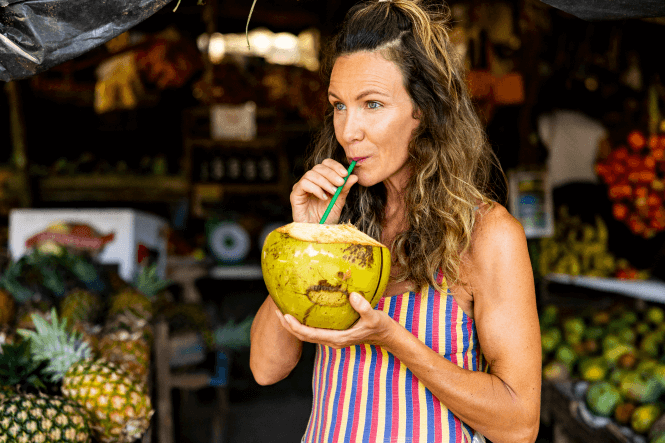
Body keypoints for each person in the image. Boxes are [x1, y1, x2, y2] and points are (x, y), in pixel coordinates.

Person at [250, 1, 542, 442]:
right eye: (339, 106)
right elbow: (265, 368)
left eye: (372, 104)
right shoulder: (342, 222)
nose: (348, 131)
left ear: (421, 111)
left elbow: (519, 424)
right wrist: (307, 238)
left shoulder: (487, 234)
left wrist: (392, 338)